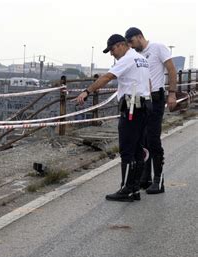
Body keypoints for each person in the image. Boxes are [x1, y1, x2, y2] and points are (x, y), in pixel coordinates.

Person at [75, 34, 152, 202]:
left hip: (133, 107)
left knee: (127, 149)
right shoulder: (141, 59)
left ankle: (126, 189)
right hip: (144, 106)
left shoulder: (127, 59)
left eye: (112, 49)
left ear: (121, 45)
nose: (111, 54)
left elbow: (107, 77)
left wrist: (87, 91)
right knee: (138, 149)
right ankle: (134, 189)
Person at [125, 27, 177, 194]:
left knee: (153, 139)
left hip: (157, 98)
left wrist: (172, 94)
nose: (131, 46)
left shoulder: (158, 48)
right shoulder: (137, 55)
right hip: (144, 100)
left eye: (132, 42)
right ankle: (145, 178)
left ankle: (159, 180)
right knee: (143, 139)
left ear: (139, 37)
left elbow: (171, 69)